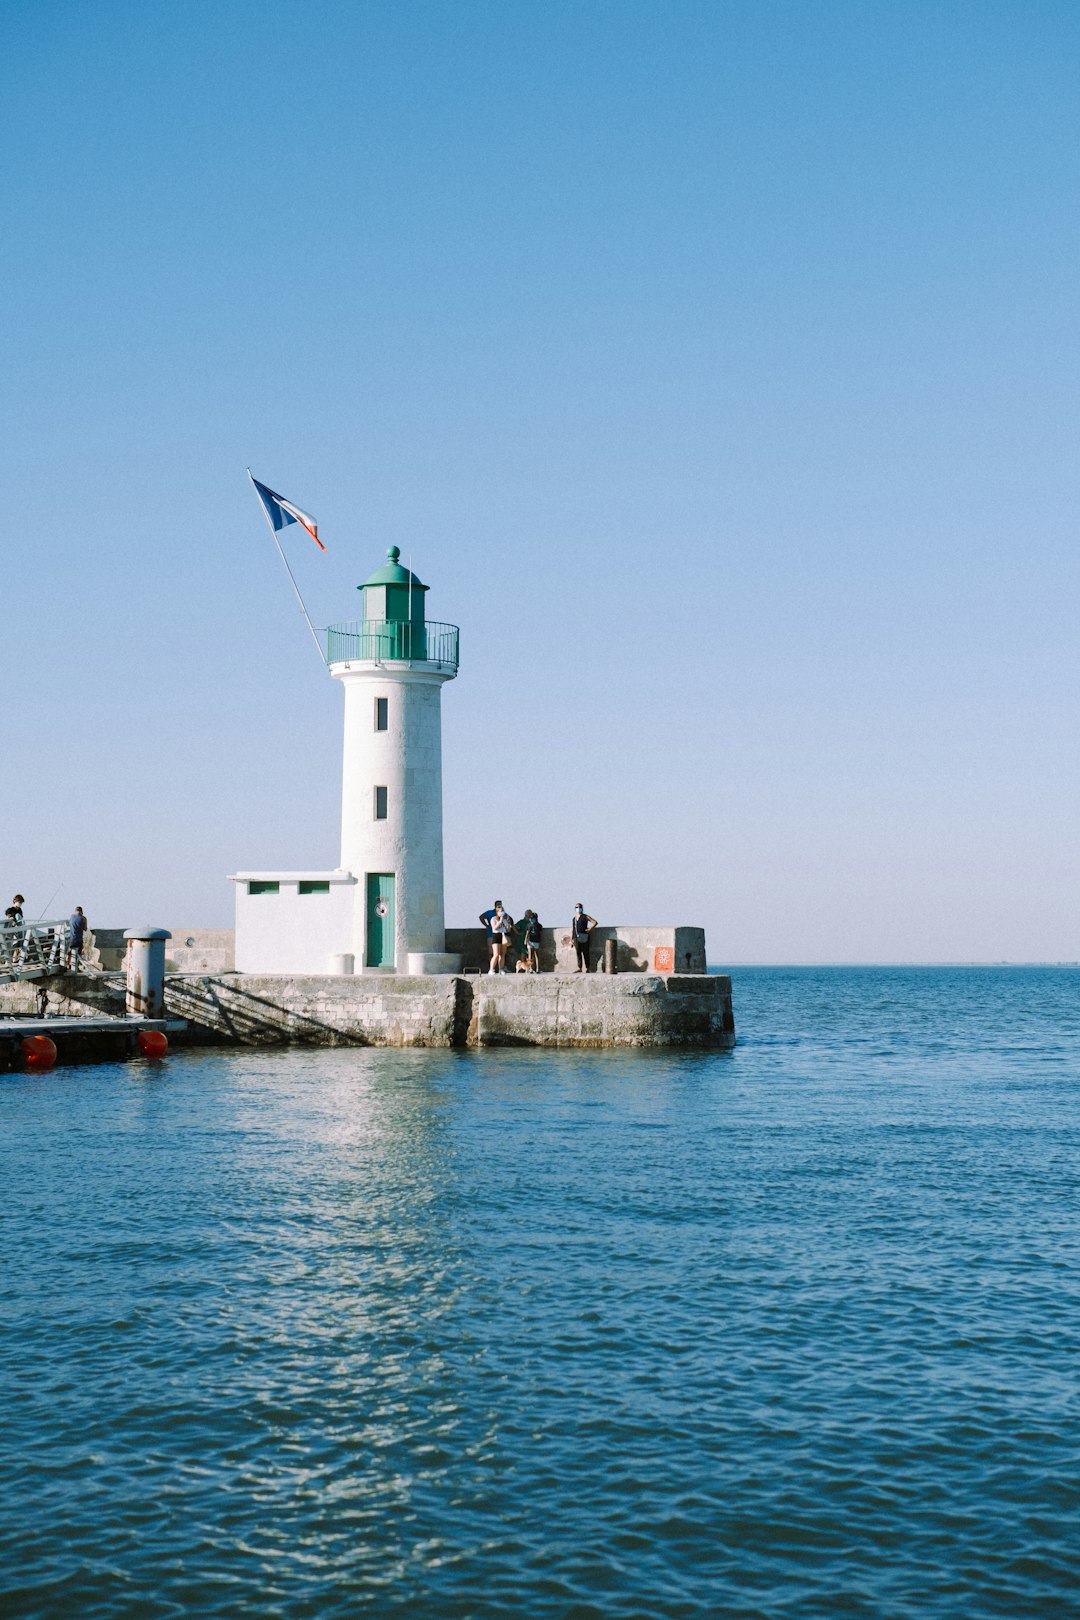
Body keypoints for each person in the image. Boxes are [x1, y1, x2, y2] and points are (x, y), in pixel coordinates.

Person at [487, 902, 514, 973]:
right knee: (496, 954)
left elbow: (508, 930)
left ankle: (501, 969)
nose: (502, 912)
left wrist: (508, 924)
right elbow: (495, 928)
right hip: (496, 936)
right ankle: (491, 969)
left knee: (502, 954)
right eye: (501, 911)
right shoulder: (493, 919)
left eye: (503, 911)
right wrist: (500, 921)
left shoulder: (505, 920)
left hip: (503, 935)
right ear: (497, 912)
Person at [571, 903, 597, 972]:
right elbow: (573, 929)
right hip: (576, 937)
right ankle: (580, 968)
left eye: (579, 907)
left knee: (586, 953)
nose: (578, 908)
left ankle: (588, 968)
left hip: (584, 936)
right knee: (578, 952)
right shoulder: (574, 918)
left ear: (582, 908)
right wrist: (572, 939)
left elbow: (594, 922)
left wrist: (590, 929)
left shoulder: (585, 916)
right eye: (577, 907)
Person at [5, 895, 25, 966]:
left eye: (21, 903)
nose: (20, 904)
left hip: (18, 929)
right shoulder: (10, 909)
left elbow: (21, 919)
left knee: (19, 942)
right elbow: (8, 915)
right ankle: (8, 960)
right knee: (9, 944)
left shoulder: (20, 910)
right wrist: (14, 921)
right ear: (15, 901)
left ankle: (14, 958)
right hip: (10, 929)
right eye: (19, 902)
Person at [67, 906, 88, 971]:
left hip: (72, 938)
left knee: (69, 953)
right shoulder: (83, 918)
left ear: (75, 911)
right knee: (78, 954)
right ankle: (76, 967)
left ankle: (68, 966)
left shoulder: (71, 917)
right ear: (81, 912)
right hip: (79, 939)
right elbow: (85, 928)